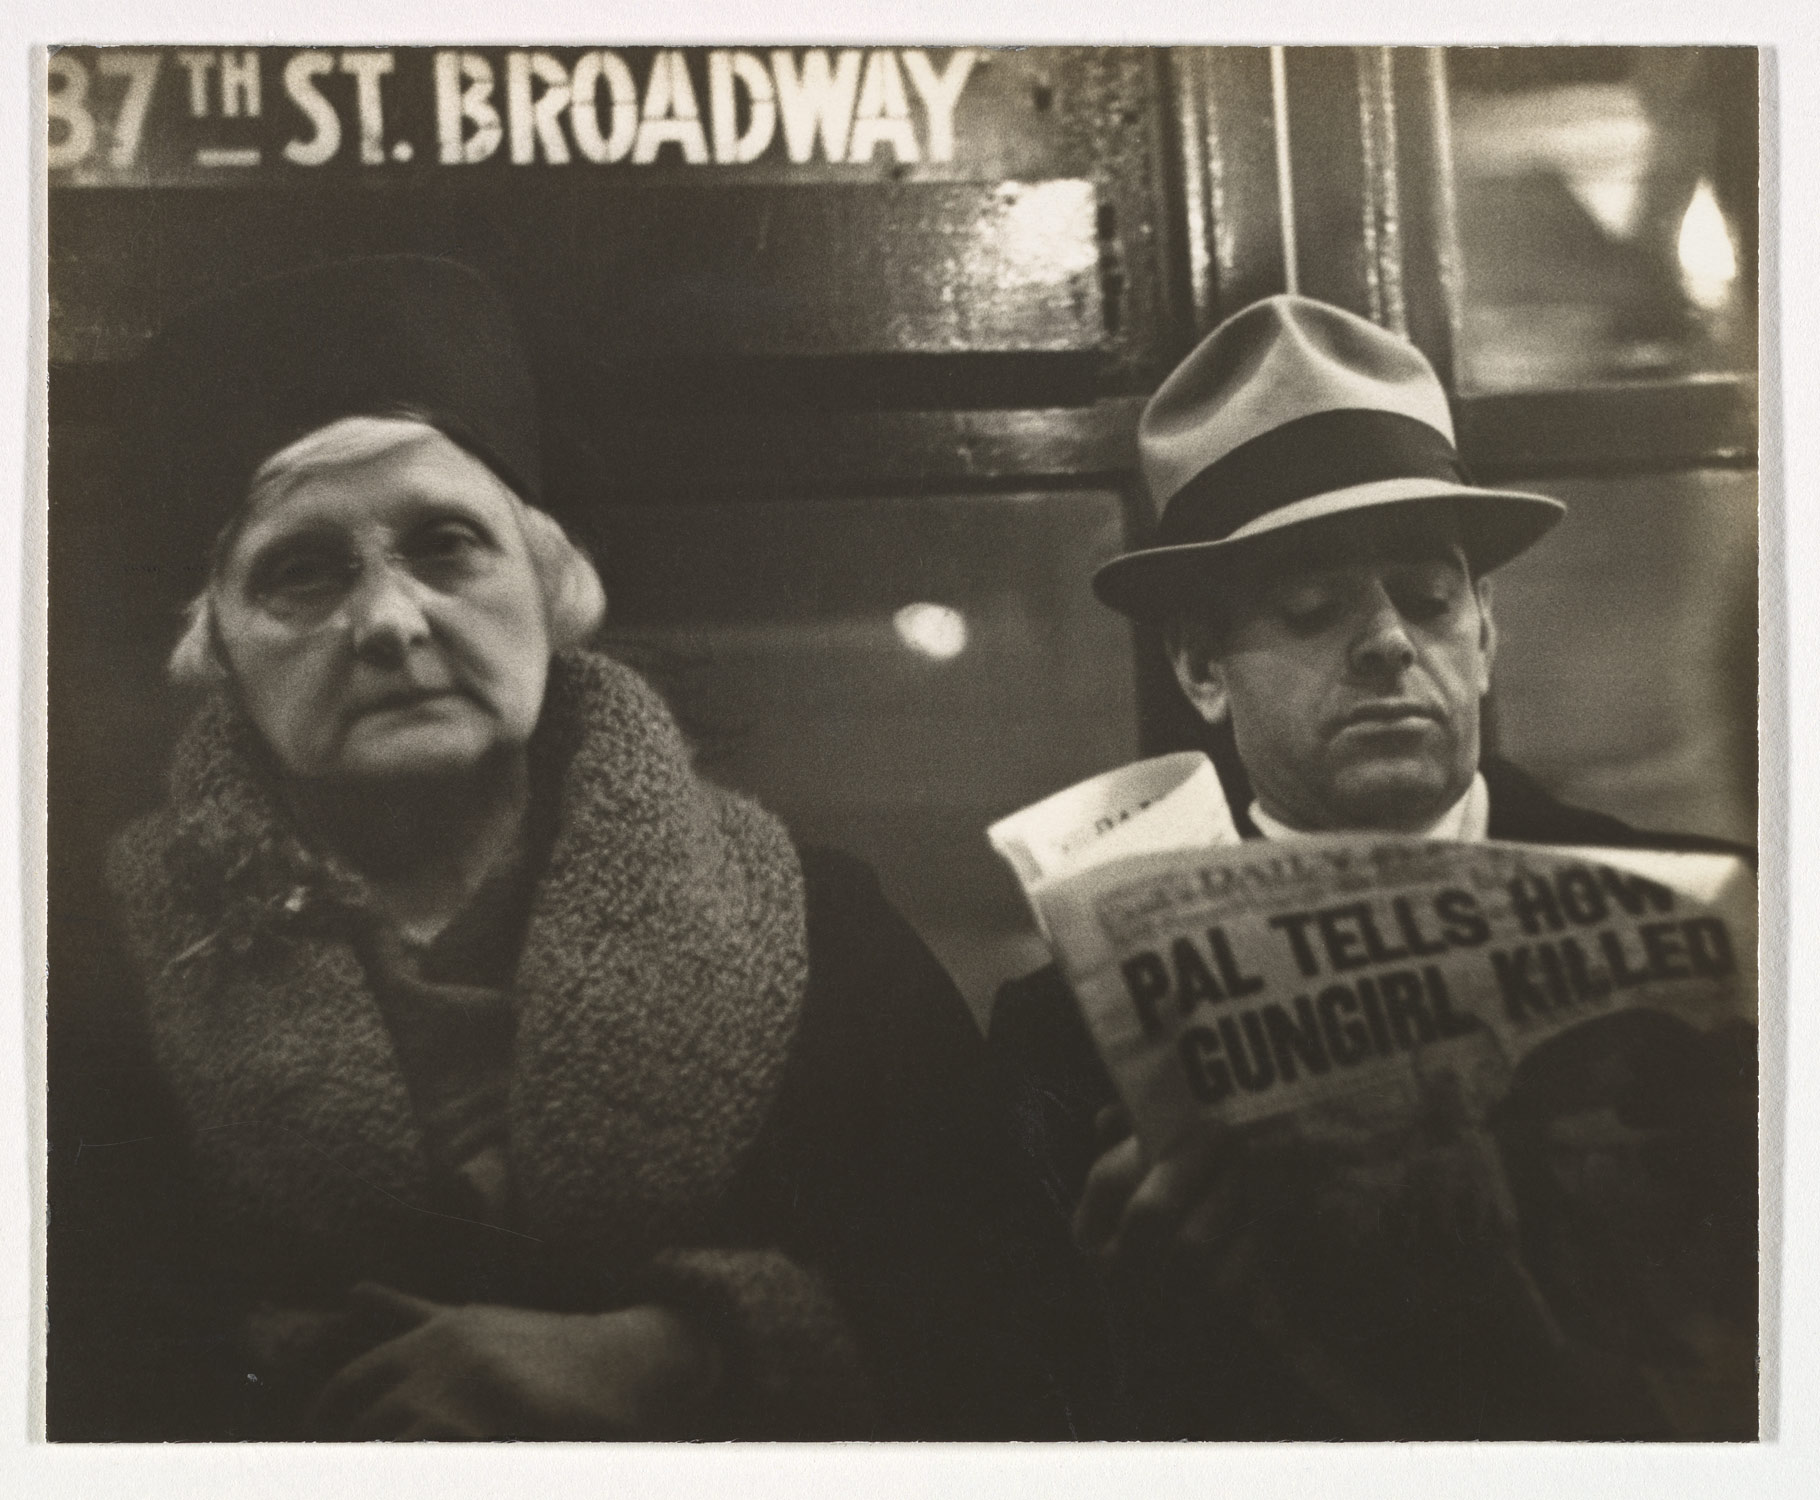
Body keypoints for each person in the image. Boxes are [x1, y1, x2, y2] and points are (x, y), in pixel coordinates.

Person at [50, 255, 1093, 1441]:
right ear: (219, 651)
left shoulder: (822, 929)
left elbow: (1013, 1333)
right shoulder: (81, 984)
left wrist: (683, 1355)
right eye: (300, 571)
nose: (389, 623)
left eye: (444, 546)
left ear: (549, 595)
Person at [990, 295, 1757, 1440]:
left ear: (1484, 635)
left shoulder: (1713, 911)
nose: (1391, 641)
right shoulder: (1066, 1036)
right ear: (1202, 668)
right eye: (1311, 607)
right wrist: (1142, 1318)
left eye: (1429, 598)